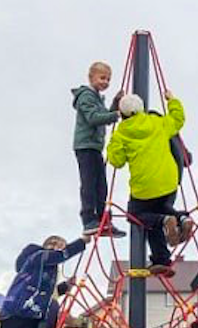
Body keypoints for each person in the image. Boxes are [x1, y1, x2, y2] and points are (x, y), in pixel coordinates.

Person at [106, 90, 194, 277]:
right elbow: (178, 120)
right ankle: (166, 250)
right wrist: (172, 100)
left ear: (122, 114)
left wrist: (113, 142)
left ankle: (167, 221)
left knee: (136, 214)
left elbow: (116, 161)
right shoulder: (157, 122)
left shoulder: (122, 132)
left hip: (144, 188)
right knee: (160, 211)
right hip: (169, 182)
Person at [72, 61, 126, 238]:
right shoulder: (86, 97)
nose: (105, 82)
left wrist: (116, 103)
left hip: (95, 147)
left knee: (101, 185)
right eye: (102, 78)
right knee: (89, 183)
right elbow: (94, 118)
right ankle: (89, 220)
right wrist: (116, 114)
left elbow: (105, 117)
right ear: (91, 77)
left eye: (108, 79)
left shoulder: (97, 98)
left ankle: (103, 220)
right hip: (85, 146)